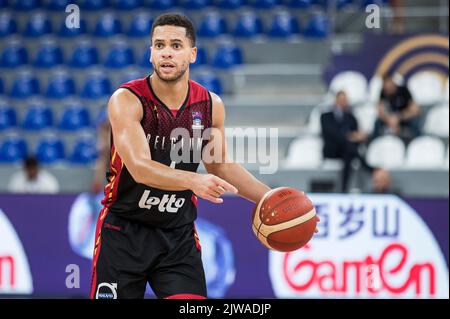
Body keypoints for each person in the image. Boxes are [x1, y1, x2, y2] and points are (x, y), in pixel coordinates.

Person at [90, 13, 320, 299]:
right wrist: (194, 181)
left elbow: (221, 165)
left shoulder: (210, 104)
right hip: (124, 232)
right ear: (150, 53)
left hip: (177, 237)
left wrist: (275, 200)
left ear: (192, 54)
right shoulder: (127, 99)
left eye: (176, 45)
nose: (166, 52)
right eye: (159, 45)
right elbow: (139, 167)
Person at [321, 91, 381, 193]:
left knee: (348, 151)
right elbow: (331, 133)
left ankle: (344, 189)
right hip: (332, 149)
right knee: (349, 147)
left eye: (345, 100)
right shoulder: (326, 116)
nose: (343, 102)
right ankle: (368, 168)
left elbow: (355, 134)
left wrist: (356, 136)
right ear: (336, 100)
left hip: (346, 151)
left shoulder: (351, 117)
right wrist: (348, 136)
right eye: (341, 99)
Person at [373, 74, 421, 143]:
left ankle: (417, 143)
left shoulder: (403, 90)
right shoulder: (383, 92)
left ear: (393, 83)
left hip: (404, 117)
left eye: (389, 87)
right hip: (390, 118)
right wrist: (388, 119)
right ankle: (375, 144)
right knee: (377, 123)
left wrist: (398, 117)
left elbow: (415, 110)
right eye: (385, 88)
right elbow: (380, 110)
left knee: (414, 121)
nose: (387, 90)